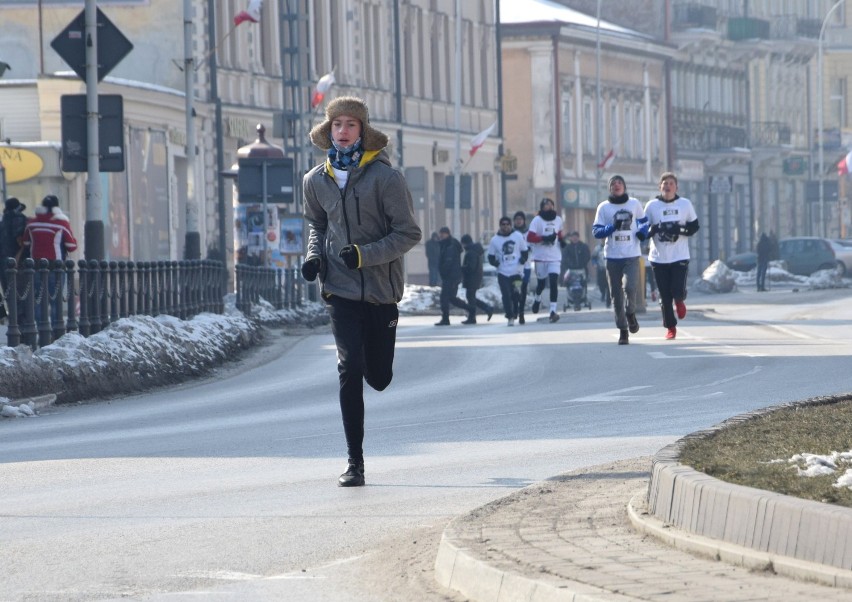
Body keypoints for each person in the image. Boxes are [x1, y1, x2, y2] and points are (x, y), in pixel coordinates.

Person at [301, 96, 422, 487]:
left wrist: (364, 256)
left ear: (362, 131)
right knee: (349, 367)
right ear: (328, 131)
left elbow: (408, 233)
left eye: (351, 124)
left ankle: (375, 363)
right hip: (339, 288)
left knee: (380, 376)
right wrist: (315, 256)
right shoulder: (315, 180)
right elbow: (317, 226)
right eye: (337, 125)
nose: (343, 131)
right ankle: (355, 462)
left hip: (381, 290)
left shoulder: (387, 179)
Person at [593, 175, 648, 345]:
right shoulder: (604, 207)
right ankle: (623, 330)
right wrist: (612, 227)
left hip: (631, 255)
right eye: (613, 184)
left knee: (630, 287)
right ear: (609, 188)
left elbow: (644, 223)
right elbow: (597, 231)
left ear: (624, 187)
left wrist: (642, 233)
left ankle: (630, 312)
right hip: (612, 257)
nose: (616, 185)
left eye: (619, 183)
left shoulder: (634, 204)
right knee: (616, 295)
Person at [644, 172, 699, 340]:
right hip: (658, 257)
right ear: (660, 187)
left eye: (671, 183)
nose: (667, 186)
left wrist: (680, 230)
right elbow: (641, 230)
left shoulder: (685, 204)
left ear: (676, 187)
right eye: (664, 183)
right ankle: (670, 327)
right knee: (665, 296)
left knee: (676, 290)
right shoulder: (651, 206)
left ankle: (680, 300)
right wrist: (650, 231)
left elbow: (694, 227)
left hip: (679, 256)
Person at [23, 194, 78, 324]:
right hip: (55, 266)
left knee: (38, 298)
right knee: (56, 300)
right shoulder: (61, 223)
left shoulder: (32, 224)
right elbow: (71, 246)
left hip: (35, 266)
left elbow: (25, 243)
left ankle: (41, 329)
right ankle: (55, 329)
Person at [526, 198, 563, 323]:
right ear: (542, 207)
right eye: (545, 204)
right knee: (541, 284)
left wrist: (563, 241)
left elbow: (560, 234)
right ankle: (537, 298)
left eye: (550, 204)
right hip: (540, 257)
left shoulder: (558, 220)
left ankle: (552, 311)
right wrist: (544, 238)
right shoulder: (537, 220)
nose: (548, 206)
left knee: (553, 282)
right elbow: (530, 237)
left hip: (554, 257)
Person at [487, 217, 528, 326]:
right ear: (500, 226)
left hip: (517, 272)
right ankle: (510, 316)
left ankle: (517, 310)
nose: (505, 227)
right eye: (503, 225)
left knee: (516, 294)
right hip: (503, 273)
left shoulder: (518, 236)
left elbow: (525, 252)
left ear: (510, 225)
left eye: (507, 224)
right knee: (506, 294)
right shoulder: (494, 240)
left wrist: (523, 260)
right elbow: (490, 257)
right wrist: (496, 263)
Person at [435, 226, 471, 326]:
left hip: (451, 276)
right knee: (451, 298)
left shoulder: (450, 245)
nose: (441, 235)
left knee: (444, 297)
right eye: (441, 233)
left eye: (443, 233)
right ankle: (470, 308)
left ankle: (445, 318)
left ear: (448, 234)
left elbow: (449, 262)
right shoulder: (446, 244)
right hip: (451, 276)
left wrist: (443, 271)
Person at [0, 197, 28, 320]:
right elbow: (20, 240)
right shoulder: (19, 219)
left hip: (3, 262)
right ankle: (22, 326)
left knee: (9, 293)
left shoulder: (3, 221)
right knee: (21, 293)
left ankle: (13, 322)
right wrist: (19, 255)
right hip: (17, 261)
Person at [460, 234, 494, 324]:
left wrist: (461, 268)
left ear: (465, 243)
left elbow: (471, 267)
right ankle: (486, 309)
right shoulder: (475, 250)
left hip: (472, 278)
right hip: (475, 277)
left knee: (470, 297)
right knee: (471, 297)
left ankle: (473, 317)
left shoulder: (471, 252)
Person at [513, 210, 531, 324]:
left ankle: (521, 312)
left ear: (524, 221)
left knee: (523, 289)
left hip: (526, 266)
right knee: (515, 289)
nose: (519, 221)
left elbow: (532, 245)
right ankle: (515, 308)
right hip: (514, 267)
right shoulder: (511, 233)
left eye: (520, 219)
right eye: (516, 219)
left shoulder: (528, 233)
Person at [591, 241, 611, 308]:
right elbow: (593, 257)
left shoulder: (611, 246)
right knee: (601, 284)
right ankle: (603, 293)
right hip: (601, 269)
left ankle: (608, 301)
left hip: (609, 269)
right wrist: (594, 264)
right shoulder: (597, 248)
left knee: (609, 285)